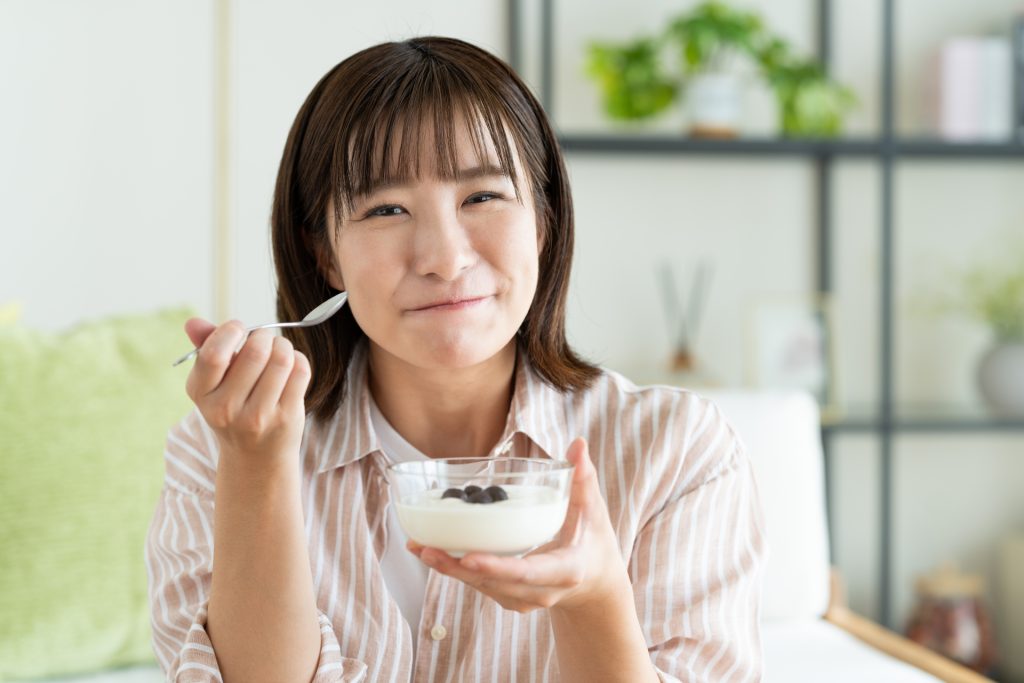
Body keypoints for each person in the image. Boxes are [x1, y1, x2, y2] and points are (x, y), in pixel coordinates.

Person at [146, 36, 766, 683]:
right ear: (325, 254)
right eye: (386, 209)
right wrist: (257, 465)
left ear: (543, 222)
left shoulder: (676, 452)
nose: (444, 257)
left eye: (482, 198)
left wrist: (594, 594)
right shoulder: (219, 455)